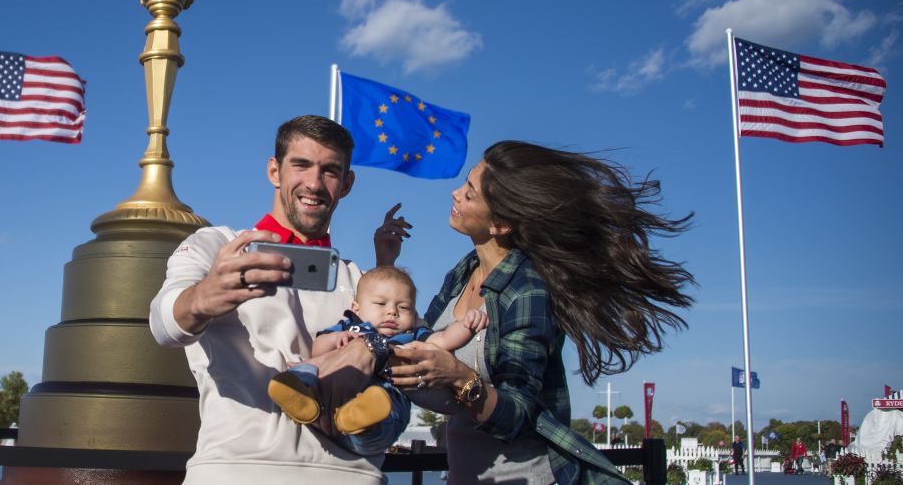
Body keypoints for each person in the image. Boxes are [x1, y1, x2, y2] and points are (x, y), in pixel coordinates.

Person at [385, 141, 695, 485]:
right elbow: (420, 340)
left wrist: (458, 377)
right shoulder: (463, 272)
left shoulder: (528, 288)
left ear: (500, 223)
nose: (456, 194)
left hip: (526, 476)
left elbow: (518, 413)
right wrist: (387, 263)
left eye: (470, 193)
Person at [149, 115, 388, 484]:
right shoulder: (216, 246)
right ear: (274, 171)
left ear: (346, 184)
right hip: (234, 472)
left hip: (351, 475)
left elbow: (412, 358)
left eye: (329, 170)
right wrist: (203, 298)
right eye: (301, 165)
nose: (313, 183)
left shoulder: (361, 281)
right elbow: (163, 325)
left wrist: (373, 347)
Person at [268, 265, 488, 455]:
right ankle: (300, 395)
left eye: (403, 307)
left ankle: (362, 423)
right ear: (356, 308)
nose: (392, 312)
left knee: (388, 405)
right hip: (330, 388)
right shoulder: (350, 326)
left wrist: (466, 325)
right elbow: (318, 349)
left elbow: (445, 339)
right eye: (381, 304)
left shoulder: (412, 336)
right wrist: (337, 338)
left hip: (383, 393)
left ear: (414, 314)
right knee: (307, 367)